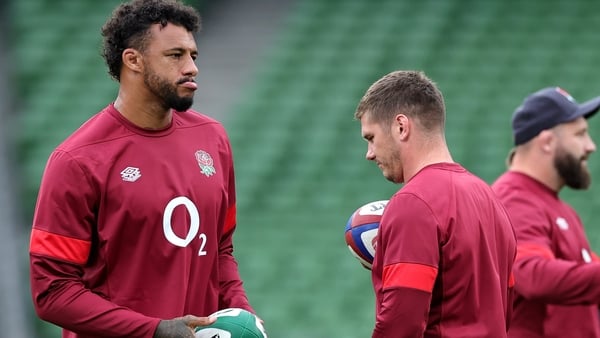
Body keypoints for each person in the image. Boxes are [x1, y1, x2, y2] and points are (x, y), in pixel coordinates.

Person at [28, 1, 259, 337]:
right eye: (175, 55)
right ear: (133, 60)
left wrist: (242, 312)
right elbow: (53, 293)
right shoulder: (77, 160)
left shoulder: (213, 138)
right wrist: (153, 330)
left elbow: (220, 248)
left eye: (193, 55)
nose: (192, 67)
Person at [354, 70, 517, 337]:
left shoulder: (413, 203)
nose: (369, 154)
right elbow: (506, 308)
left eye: (371, 138)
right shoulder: (490, 199)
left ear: (401, 126)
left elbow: (401, 324)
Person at [492, 86, 600, 338]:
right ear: (547, 142)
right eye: (581, 134)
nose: (590, 146)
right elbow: (532, 276)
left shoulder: (558, 208)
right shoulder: (514, 199)